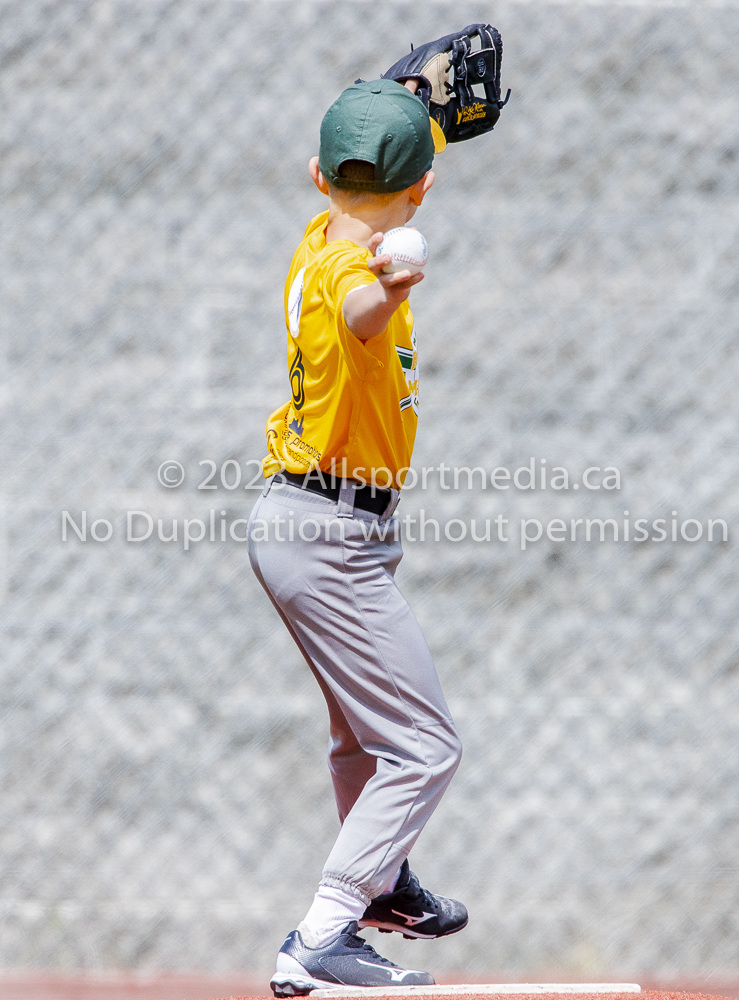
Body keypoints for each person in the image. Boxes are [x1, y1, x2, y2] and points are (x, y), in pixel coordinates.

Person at [247, 78, 465, 996]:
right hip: (327, 533)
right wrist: (392, 283)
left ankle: (382, 884)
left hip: (311, 524)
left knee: (363, 741)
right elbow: (358, 314)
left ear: (316, 174)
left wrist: (417, 109)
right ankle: (326, 932)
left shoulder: (322, 231)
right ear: (422, 195)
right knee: (426, 745)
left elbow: (368, 166)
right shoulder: (354, 276)